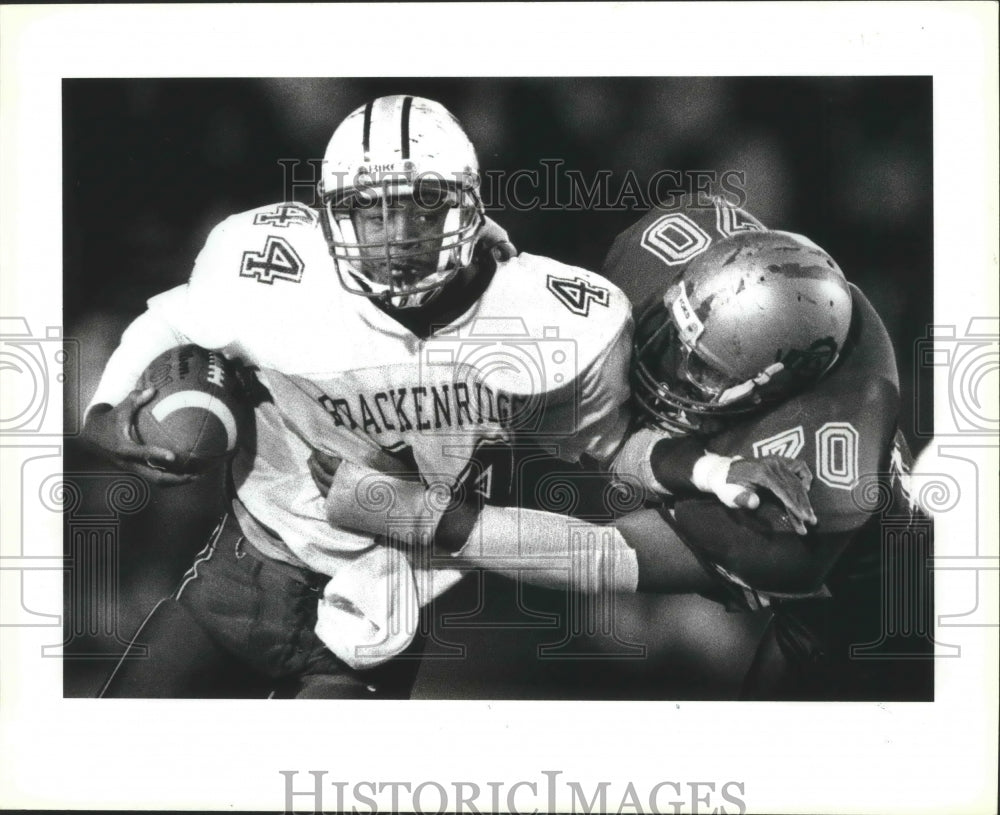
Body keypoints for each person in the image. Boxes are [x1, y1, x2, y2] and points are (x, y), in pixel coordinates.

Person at [83, 97, 809, 698]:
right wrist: (110, 408)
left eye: (424, 207)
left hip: (385, 600)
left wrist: (713, 472)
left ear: (467, 208)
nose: (397, 235)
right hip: (246, 570)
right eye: (372, 211)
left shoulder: (551, 317)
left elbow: (614, 446)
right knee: (114, 761)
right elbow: (173, 318)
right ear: (333, 214)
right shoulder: (274, 271)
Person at [317, 197, 934, 700]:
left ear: (768, 393)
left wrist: (403, 510)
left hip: (881, 645)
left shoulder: (810, 502)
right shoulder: (684, 258)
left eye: (700, 374)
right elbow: (573, 335)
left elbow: (595, 553)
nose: (663, 372)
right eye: (672, 335)